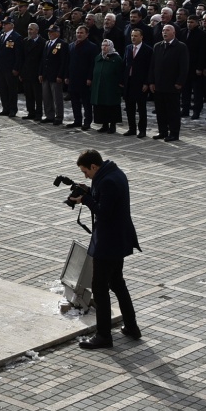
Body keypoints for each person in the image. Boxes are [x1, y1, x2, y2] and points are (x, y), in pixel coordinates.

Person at [70, 149, 140, 350]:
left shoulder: (108, 180)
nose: (86, 176)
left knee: (100, 289)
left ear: (94, 166)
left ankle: (103, 335)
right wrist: (89, 191)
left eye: (86, 172)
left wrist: (85, 200)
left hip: (109, 242)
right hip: (118, 240)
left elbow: (104, 211)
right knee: (117, 283)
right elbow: (106, 200)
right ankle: (132, 327)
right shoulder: (114, 173)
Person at [150, 23, 189, 142]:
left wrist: (180, 82)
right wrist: (151, 81)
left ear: (174, 33)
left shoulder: (181, 47)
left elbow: (184, 67)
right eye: (163, 31)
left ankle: (174, 133)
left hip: (172, 85)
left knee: (173, 111)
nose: (164, 33)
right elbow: (152, 66)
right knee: (160, 110)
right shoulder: (157, 46)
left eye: (167, 30)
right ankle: (162, 131)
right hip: (159, 85)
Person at [122, 27, 152, 138]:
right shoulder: (128, 48)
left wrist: (146, 82)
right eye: (132, 36)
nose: (133, 38)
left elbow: (149, 68)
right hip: (129, 82)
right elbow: (125, 63)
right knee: (129, 107)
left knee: (141, 108)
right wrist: (122, 80)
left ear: (141, 37)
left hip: (140, 83)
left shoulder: (148, 49)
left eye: (135, 36)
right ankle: (132, 128)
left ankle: (142, 130)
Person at [89, 38, 123, 134]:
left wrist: (120, 85)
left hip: (111, 87)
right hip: (99, 86)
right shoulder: (98, 57)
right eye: (103, 45)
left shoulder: (116, 58)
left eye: (106, 45)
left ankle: (112, 125)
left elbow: (120, 73)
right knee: (101, 106)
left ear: (111, 46)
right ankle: (104, 124)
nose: (104, 47)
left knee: (111, 106)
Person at [0, 17, 25, 117]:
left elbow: (19, 55)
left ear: (12, 25)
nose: (3, 25)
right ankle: (5, 108)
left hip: (10, 68)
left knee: (12, 90)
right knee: (3, 89)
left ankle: (13, 109)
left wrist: (16, 68)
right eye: (3, 24)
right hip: (2, 67)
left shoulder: (16, 37)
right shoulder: (1, 35)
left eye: (6, 24)